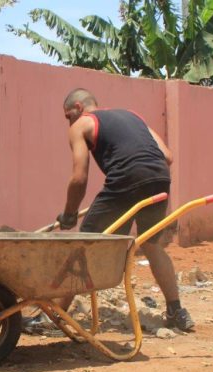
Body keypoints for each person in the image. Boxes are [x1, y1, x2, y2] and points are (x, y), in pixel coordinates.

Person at [54, 88, 194, 331]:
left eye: (68, 116)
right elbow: (167, 156)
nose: (69, 122)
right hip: (159, 179)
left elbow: (79, 178)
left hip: (125, 178)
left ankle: (54, 315)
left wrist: (68, 215)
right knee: (151, 245)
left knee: (81, 245)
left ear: (78, 108)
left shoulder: (82, 125)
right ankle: (177, 312)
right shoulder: (133, 116)